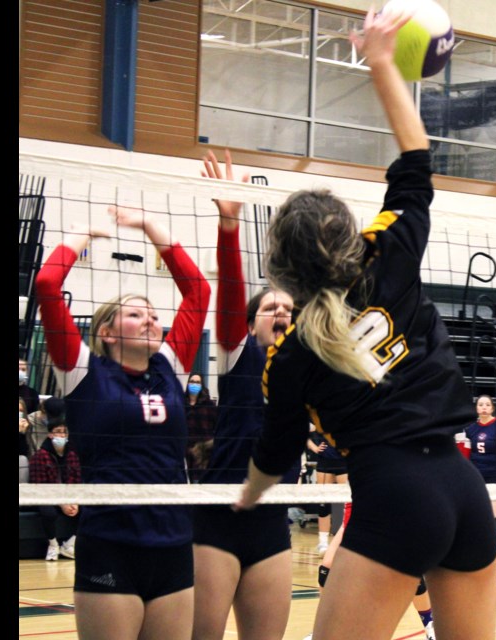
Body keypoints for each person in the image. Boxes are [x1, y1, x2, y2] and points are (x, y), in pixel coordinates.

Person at [235, 10, 496, 640]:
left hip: (395, 496)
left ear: (282, 271)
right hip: (464, 489)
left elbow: (274, 454)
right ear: (349, 235)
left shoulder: (290, 353)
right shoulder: (389, 255)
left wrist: (248, 496)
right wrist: (382, 62)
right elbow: (415, 158)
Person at [35, 207, 210, 640]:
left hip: (172, 543)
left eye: (153, 314)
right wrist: (78, 236)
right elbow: (46, 285)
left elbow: (198, 293)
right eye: (136, 315)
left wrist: (155, 231)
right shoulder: (82, 372)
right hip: (111, 542)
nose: (151, 319)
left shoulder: (168, 366)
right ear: (108, 333)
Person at [190, 149, 296, 640]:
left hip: (273, 525)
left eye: (288, 309)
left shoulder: (307, 367)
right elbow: (231, 291)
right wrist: (229, 226)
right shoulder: (238, 354)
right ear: (251, 321)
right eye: (270, 306)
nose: (280, 312)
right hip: (218, 517)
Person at [304, 501, 437, 640]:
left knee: (408, 569)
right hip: (354, 518)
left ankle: (429, 624)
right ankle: (325, 630)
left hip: (388, 516)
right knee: (327, 569)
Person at [457, 395, 496, 578]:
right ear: (476, 409)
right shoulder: (470, 429)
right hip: (476, 480)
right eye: (480, 405)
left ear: (492, 408)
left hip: (495, 479)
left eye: (487, 405)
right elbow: (464, 456)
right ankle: (482, 562)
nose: (483, 407)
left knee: (494, 520)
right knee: (475, 520)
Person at [29, 415, 81, 561]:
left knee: (93, 507)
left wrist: (74, 501)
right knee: (48, 512)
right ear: (50, 434)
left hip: (67, 496)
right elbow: (40, 486)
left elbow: (76, 481)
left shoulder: (72, 454)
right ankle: (53, 544)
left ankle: (70, 545)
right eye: (58, 431)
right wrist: (61, 503)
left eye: (64, 432)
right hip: (46, 496)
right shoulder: (40, 455)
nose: (62, 435)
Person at [307, 429, 349, 555]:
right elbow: (299, 429)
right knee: (323, 503)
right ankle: (323, 543)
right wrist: (314, 447)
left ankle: (345, 541)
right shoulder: (319, 414)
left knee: (347, 502)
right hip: (325, 462)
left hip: (344, 461)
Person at [185, 372, 218, 482]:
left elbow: (216, 427)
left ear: (202, 385)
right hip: (184, 452)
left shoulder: (209, 405)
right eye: (192, 382)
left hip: (203, 453)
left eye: (198, 382)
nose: (194, 385)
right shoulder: (181, 403)